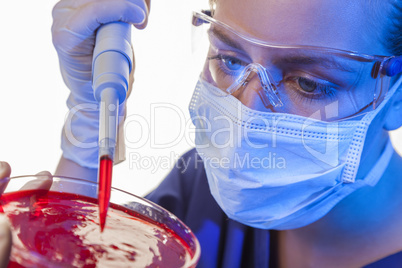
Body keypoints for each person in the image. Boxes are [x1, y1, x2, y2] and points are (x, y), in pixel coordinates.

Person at [2, 0, 402, 267]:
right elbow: (85, 247)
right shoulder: (200, 194)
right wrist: (87, 133)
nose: (247, 111)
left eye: (309, 84)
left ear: (397, 97)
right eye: (229, 59)